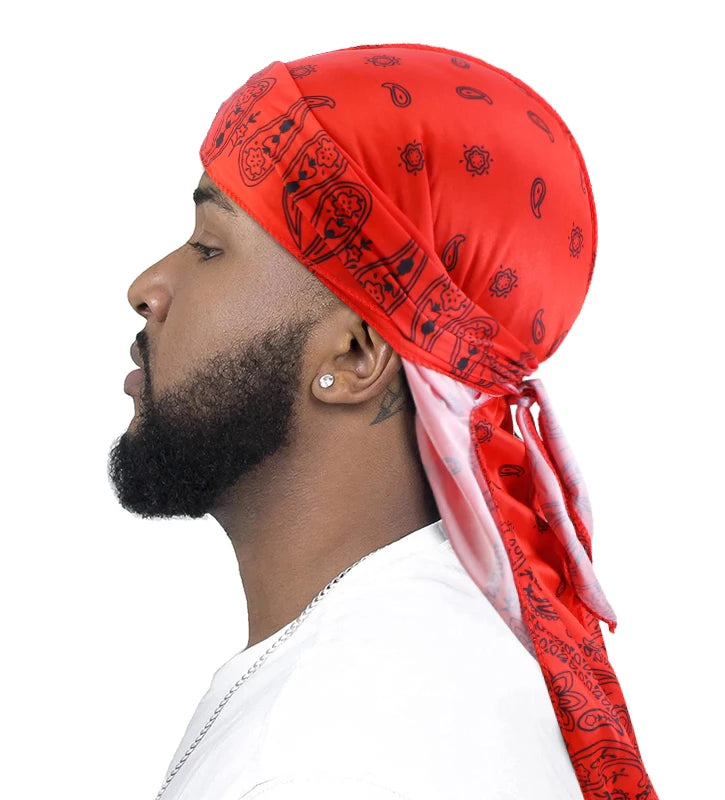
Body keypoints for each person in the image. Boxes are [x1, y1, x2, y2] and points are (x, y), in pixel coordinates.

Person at [109, 43, 657, 800]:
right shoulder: (427, 661)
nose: (147, 288)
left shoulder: (315, 758)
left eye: (210, 247)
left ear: (358, 354)